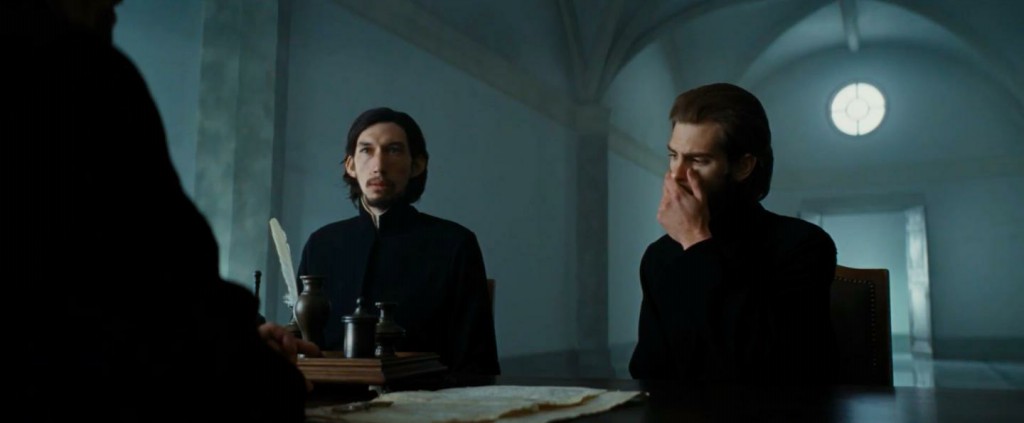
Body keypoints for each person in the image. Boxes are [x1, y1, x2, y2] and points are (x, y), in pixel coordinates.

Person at [16, 1, 318, 421]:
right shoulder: (75, 69)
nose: (117, 6)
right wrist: (245, 354)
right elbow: (155, 278)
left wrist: (238, 334)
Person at [628, 83, 837, 384]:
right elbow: (649, 371)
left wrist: (696, 242)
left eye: (698, 160)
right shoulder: (660, 256)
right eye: (673, 155)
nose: (677, 174)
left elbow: (768, 367)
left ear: (743, 166)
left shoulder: (803, 245)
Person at [296, 107, 500, 376]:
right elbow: (301, 344)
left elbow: (475, 362)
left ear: (417, 165)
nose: (378, 166)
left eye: (393, 150)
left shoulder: (455, 244)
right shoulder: (321, 244)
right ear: (351, 165)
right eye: (366, 150)